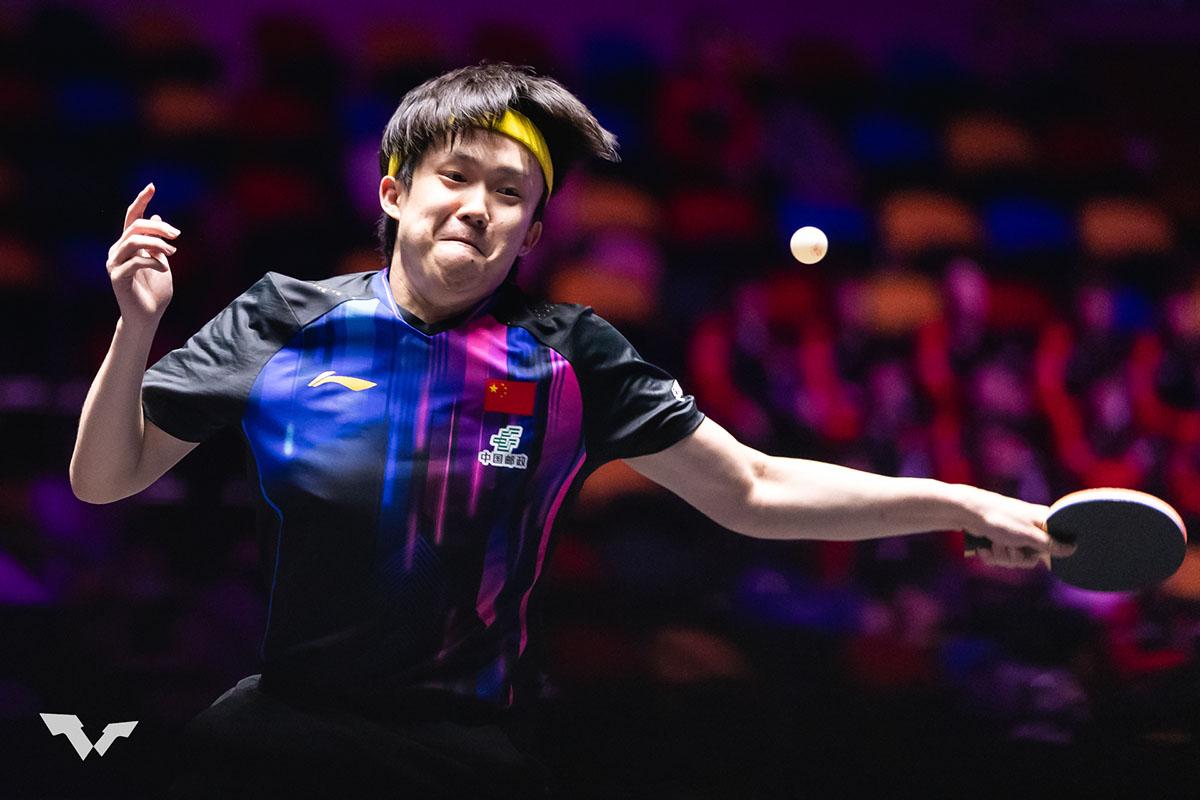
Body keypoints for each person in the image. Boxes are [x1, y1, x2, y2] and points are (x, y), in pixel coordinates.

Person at [69, 62, 1072, 799]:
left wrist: (960, 501)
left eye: (511, 194)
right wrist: (137, 328)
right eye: (455, 177)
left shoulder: (568, 353)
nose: (479, 208)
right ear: (394, 191)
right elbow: (106, 477)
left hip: (467, 751)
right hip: (283, 738)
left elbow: (753, 489)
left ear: (533, 233)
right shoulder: (283, 317)